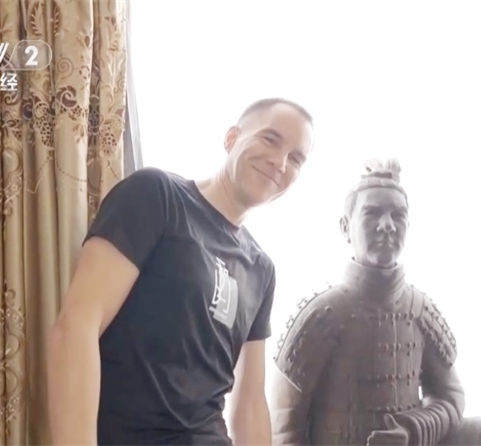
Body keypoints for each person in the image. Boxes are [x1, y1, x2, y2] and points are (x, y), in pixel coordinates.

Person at [46, 98, 316, 445]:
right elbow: (76, 327)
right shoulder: (157, 195)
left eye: (296, 159)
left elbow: (249, 403)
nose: (280, 162)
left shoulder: (261, 268)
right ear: (231, 138)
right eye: (270, 139)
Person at [270, 159, 481, 446]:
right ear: (345, 227)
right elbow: (284, 427)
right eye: (372, 213)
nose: (387, 225)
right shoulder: (322, 315)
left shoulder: (420, 310)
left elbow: (451, 397)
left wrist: (412, 430)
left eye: (398, 215)